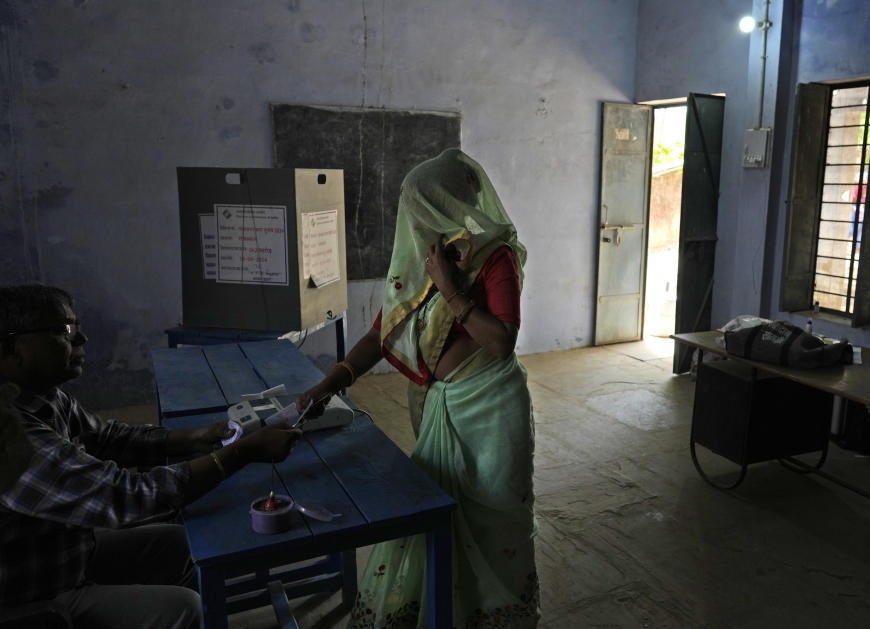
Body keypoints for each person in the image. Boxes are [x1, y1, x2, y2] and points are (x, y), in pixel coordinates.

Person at [297, 148, 540, 628]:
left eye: (420, 205)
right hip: (440, 406)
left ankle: (492, 616)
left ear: (446, 204)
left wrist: (451, 288)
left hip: (489, 410)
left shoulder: (495, 257)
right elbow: (380, 334)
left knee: (491, 522)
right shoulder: (427, 258)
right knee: (435, 515)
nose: (411, 216)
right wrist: (329, 384)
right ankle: (440, 611)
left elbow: (502, 343)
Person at [0, 284, 302, 629]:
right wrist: (241, 453)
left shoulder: (42, 397)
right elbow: (125, 497)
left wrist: (193, 437)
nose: (81, 338)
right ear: (11, 348)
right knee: (184, 609)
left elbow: (108, 437)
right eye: (62, 330)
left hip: (66, 553)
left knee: (178, 543)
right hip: (38, 601)